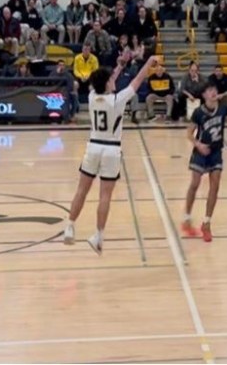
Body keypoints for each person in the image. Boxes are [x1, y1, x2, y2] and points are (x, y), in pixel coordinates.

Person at [64, 54, 160, 254]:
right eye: (111, 79)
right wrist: (148, 62)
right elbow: (137, 80)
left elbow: (103, 81)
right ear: (107, 83)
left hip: (93, 147)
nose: (113, 80)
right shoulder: (117, 100)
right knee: (105, 195)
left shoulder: (92, 97)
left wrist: (118, 66)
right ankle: (98, 236)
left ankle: (70, 226)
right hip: (111, 149)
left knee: (81, 191)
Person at [181, 83, 227, 242]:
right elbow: (189, 133)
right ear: (204, 95)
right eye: (209, 91)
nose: (213, 92)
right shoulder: (198, 112)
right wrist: (198, 145)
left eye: (214, 90)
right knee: (195, 184)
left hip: (216, 152)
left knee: (215, 186)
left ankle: (206, 224)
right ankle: (186, 219)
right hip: (201, 151)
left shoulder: (223, 108)